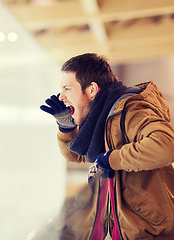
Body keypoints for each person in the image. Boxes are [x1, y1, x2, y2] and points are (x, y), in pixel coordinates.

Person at [40, 53, 174, 239]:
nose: (61, 96)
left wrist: (112, 159)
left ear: (92, 90)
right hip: (128, 229)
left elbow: (165, 146)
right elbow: (76, 155)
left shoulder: (132, 110)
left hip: (154, 231)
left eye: (67, 88)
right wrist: (66, 127)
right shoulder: (103, 116)